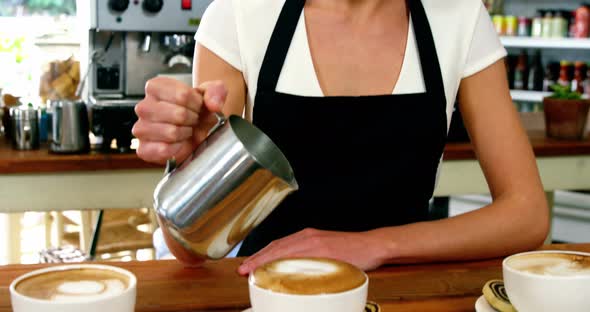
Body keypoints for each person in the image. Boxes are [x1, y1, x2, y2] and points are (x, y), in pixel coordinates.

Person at [132, 0, 549, 275]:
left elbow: (527, 214)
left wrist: (376, 245)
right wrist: (192, 169)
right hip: (272, 291)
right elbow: (190, 249)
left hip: (404, 290)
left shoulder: (458, 16)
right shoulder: (240, 13)